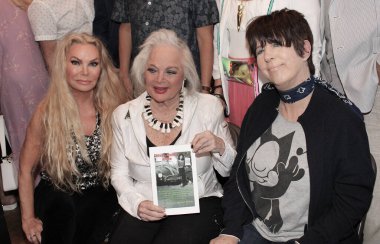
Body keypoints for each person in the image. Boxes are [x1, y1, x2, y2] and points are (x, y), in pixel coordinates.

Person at [211, 9, 375, 244]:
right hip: (256, 232)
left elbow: (352, 202)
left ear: (305, 49)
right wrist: (231, 230)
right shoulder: (261, 106)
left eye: (276, 44)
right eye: (260, 49)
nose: (267, 55)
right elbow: (238, 178)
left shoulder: (341, 118)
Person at [109, 29, 236, 243]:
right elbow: (118, 173)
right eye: (152, 70)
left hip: (200, 201)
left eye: (171, 71)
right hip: (146, 202)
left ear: (185, 74)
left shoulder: (208, 107)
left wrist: (218, 145)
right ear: (143, 72)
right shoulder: (123, 115)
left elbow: (230, 168)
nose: (160, 80)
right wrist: (137, 203)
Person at [18, 33, 127, 244]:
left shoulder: (116, 108)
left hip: (100, 189)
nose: (84, 72)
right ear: (63, 66)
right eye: (76, 62)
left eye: (93, 64)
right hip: (57, 189)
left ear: (101, 69)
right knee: (63, 212)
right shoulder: (46, 113)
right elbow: (26, 169)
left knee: (93, 212)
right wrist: (27, 218)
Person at [320, 2, 380, 243]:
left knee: (376, 197)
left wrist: (374, 73)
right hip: (329, 97)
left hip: (372, 97)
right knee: (338, 189)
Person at [213, 0, 322, 127]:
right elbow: (219, 42)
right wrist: (218, 88)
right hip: (233, 83)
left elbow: (312, 49)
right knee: (242, 136)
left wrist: (311, 101)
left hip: (271, 82)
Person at [111, 0, 219, 98]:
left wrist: (205, 88)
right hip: (142, 79)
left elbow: (205, 38)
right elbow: (126, 28)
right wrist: (124, 73)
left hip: (184, 81)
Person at [0, 0, 49, 210]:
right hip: (38, 78)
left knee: (25, 138)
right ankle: (38, 197)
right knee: (36, 136)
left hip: (25, 79)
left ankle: (36, 198)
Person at [27, 0, 95, 73]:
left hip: (95, 64)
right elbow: (51, 59)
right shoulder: (41, 6)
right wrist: (61, 83)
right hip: (71, 74)